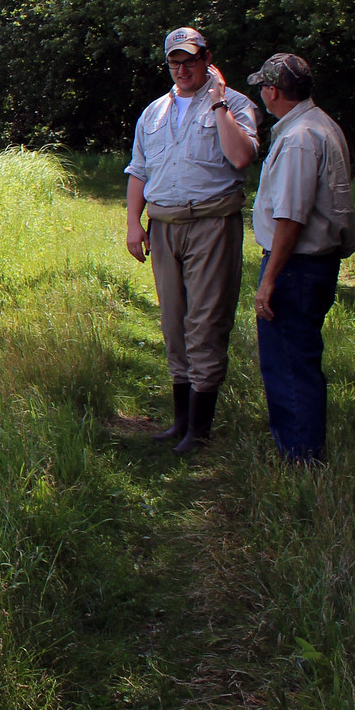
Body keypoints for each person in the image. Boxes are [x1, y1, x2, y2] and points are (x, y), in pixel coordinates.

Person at [123, 27, 262, 453]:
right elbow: (139, 171)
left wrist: (219, 100)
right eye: (174, 62)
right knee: (174, 324)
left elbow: (241, 157)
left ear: (207, 59)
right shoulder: (153, 113)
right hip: (164, 227)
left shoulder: (235, 104)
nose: (182, 69)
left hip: (212, 224)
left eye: (190, 60)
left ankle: (199, 432)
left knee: (205, 324)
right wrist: (133, 221)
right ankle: (180, 422)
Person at [248, 53, 355, 464]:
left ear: (273, 91)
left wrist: (269, 280)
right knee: (299, 359)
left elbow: (290, 218)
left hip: (297, 266)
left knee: (289, 364)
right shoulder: (321, 125)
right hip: (313, 265)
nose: (261, 93)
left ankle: (302, 458)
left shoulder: (299, 138)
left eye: (264, 86)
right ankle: (301, 448)